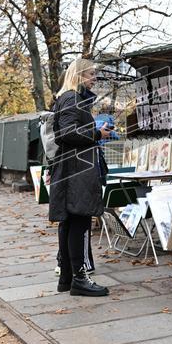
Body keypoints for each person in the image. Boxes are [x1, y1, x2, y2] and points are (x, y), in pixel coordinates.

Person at [48, 59, 110, 297]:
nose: (94, 78)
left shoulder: (68, 98)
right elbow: (68, 132)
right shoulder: (72, 98)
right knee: (80, 222)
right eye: (91, 74)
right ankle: (80, 278)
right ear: (79, 75)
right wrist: (97, 132)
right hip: (77, 171)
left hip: (72, 169)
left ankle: (67, 278)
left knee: (70, 222)